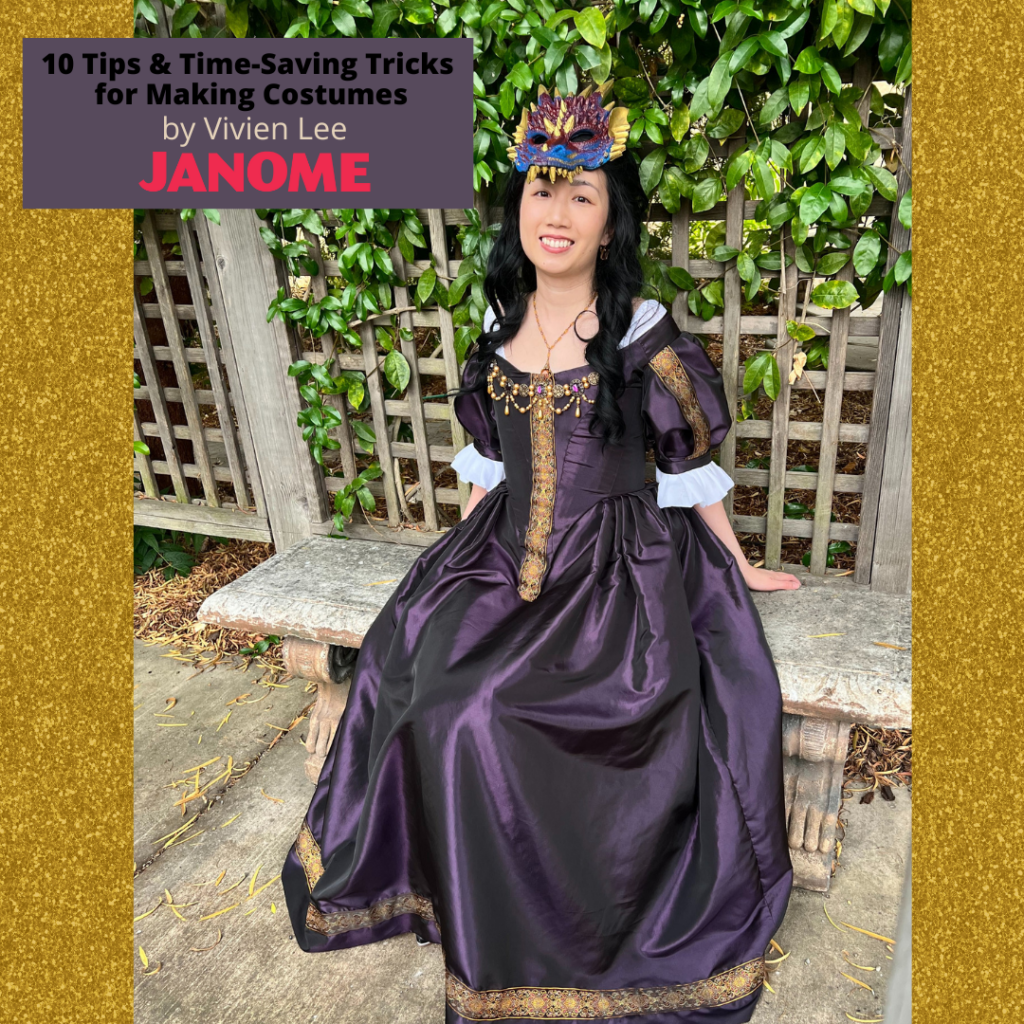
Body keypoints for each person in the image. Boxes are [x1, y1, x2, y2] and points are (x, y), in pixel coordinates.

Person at [282, 80, 798, 1024]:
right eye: (541, 190)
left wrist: (737, 564)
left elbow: (686, 465)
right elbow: (491, 469)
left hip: (621, 575)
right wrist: (455, 563)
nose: (556, 214)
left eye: (580, 195)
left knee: (495, 714)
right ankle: (466, 899)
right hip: (503, 553)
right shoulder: (498, 331)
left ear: (611, 221)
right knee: (432, 695)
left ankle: (554, 936)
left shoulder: (640, 334)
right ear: (517, 205)